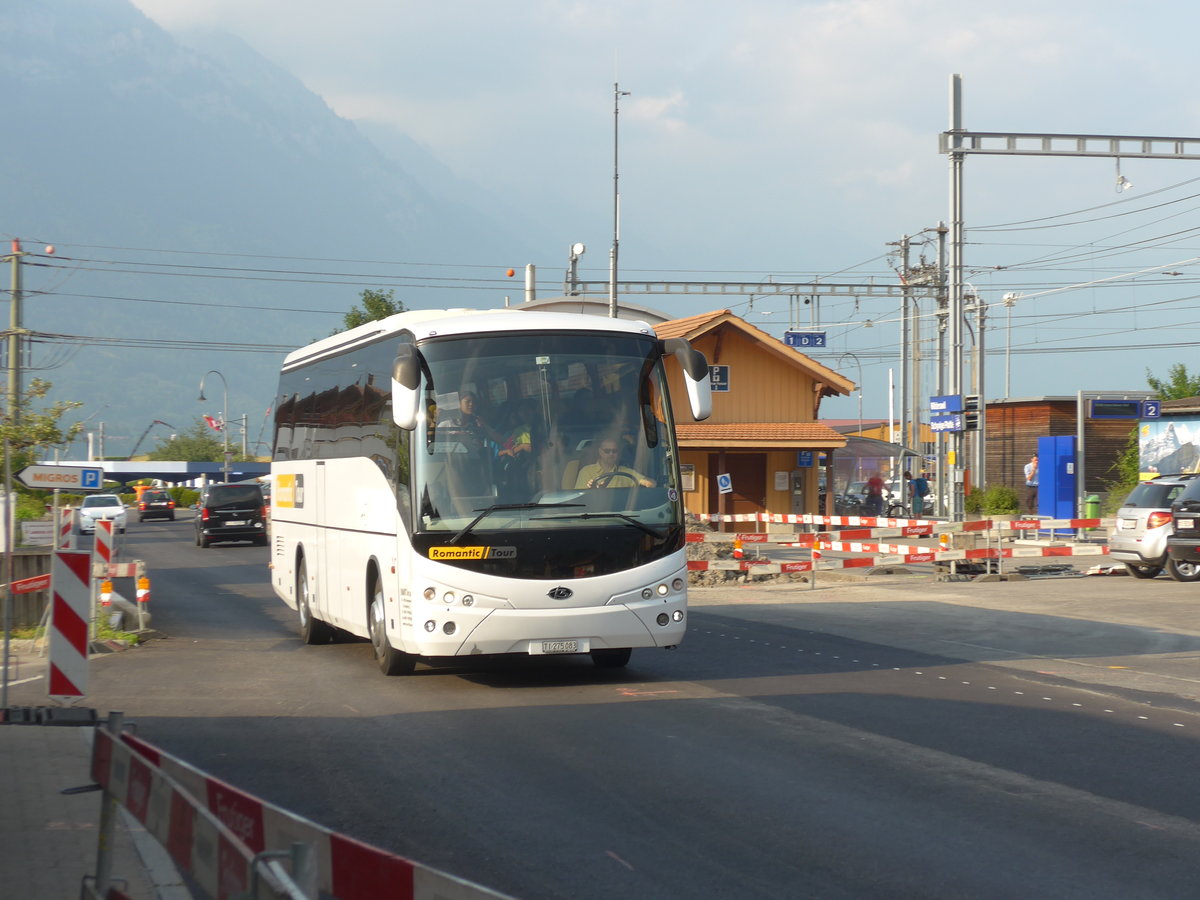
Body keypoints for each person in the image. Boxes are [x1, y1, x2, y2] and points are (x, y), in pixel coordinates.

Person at [575, 436, 654, 488]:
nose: (611, 454)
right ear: (600, 452)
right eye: (607, 451)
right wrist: (591, 491)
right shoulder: (586, 471)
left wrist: (648, 484)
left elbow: (651, 483)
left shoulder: (626, 472)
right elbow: (579, 499)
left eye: (614, 451)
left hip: (624, 512)